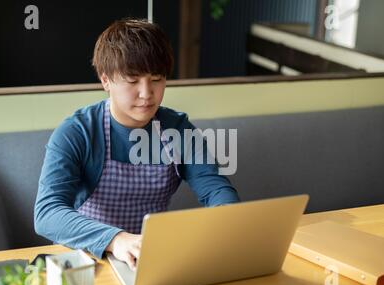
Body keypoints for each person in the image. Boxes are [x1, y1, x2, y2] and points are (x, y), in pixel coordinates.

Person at [34, 18, 239, 271]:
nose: (147, 93)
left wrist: (228, 221)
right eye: (133, 81)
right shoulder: (77, 132)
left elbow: (215, 188)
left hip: (150, 260)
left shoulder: (177, 129)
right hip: (87, 262)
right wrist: (116, 239)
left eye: (157, 79)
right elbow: (47, 213)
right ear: (106, 80)